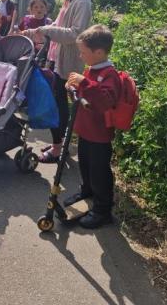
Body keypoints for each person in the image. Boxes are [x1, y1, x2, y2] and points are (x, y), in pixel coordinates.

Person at [22, 0, 93, 163]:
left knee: (60, 105)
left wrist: (47, 29)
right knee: (57, 103)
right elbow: (61, 26)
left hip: (68, 62)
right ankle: (59, 144)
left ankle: (57, 149)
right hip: (57, 58)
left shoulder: (83, 1)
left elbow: (75, 33)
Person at [64, 24, 121, 229]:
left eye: (83, 52)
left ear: (98, 52)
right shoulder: (91, 69)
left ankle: (102, 210)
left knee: (99, 172)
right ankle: (87, 191)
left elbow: (105, 101)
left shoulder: (109, 75)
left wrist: (84, 84)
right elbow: (83, 95)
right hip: (86, 131)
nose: (80, 56)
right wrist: (72, 87)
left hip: (99, 135)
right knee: (86, 165)